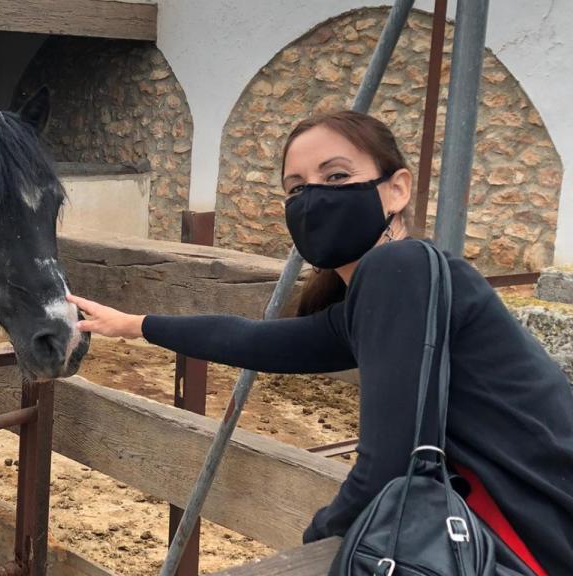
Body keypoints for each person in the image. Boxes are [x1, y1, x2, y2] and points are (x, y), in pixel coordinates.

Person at [67, 111, 573, 575]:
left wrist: (318, 540)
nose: (313, 199)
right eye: (296, 188)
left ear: (397, 190)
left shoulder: (401, 268)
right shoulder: (381, 295)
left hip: (534, 533)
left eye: (335, 177)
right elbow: (254, 341)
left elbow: (387, 464)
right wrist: (134, 324)